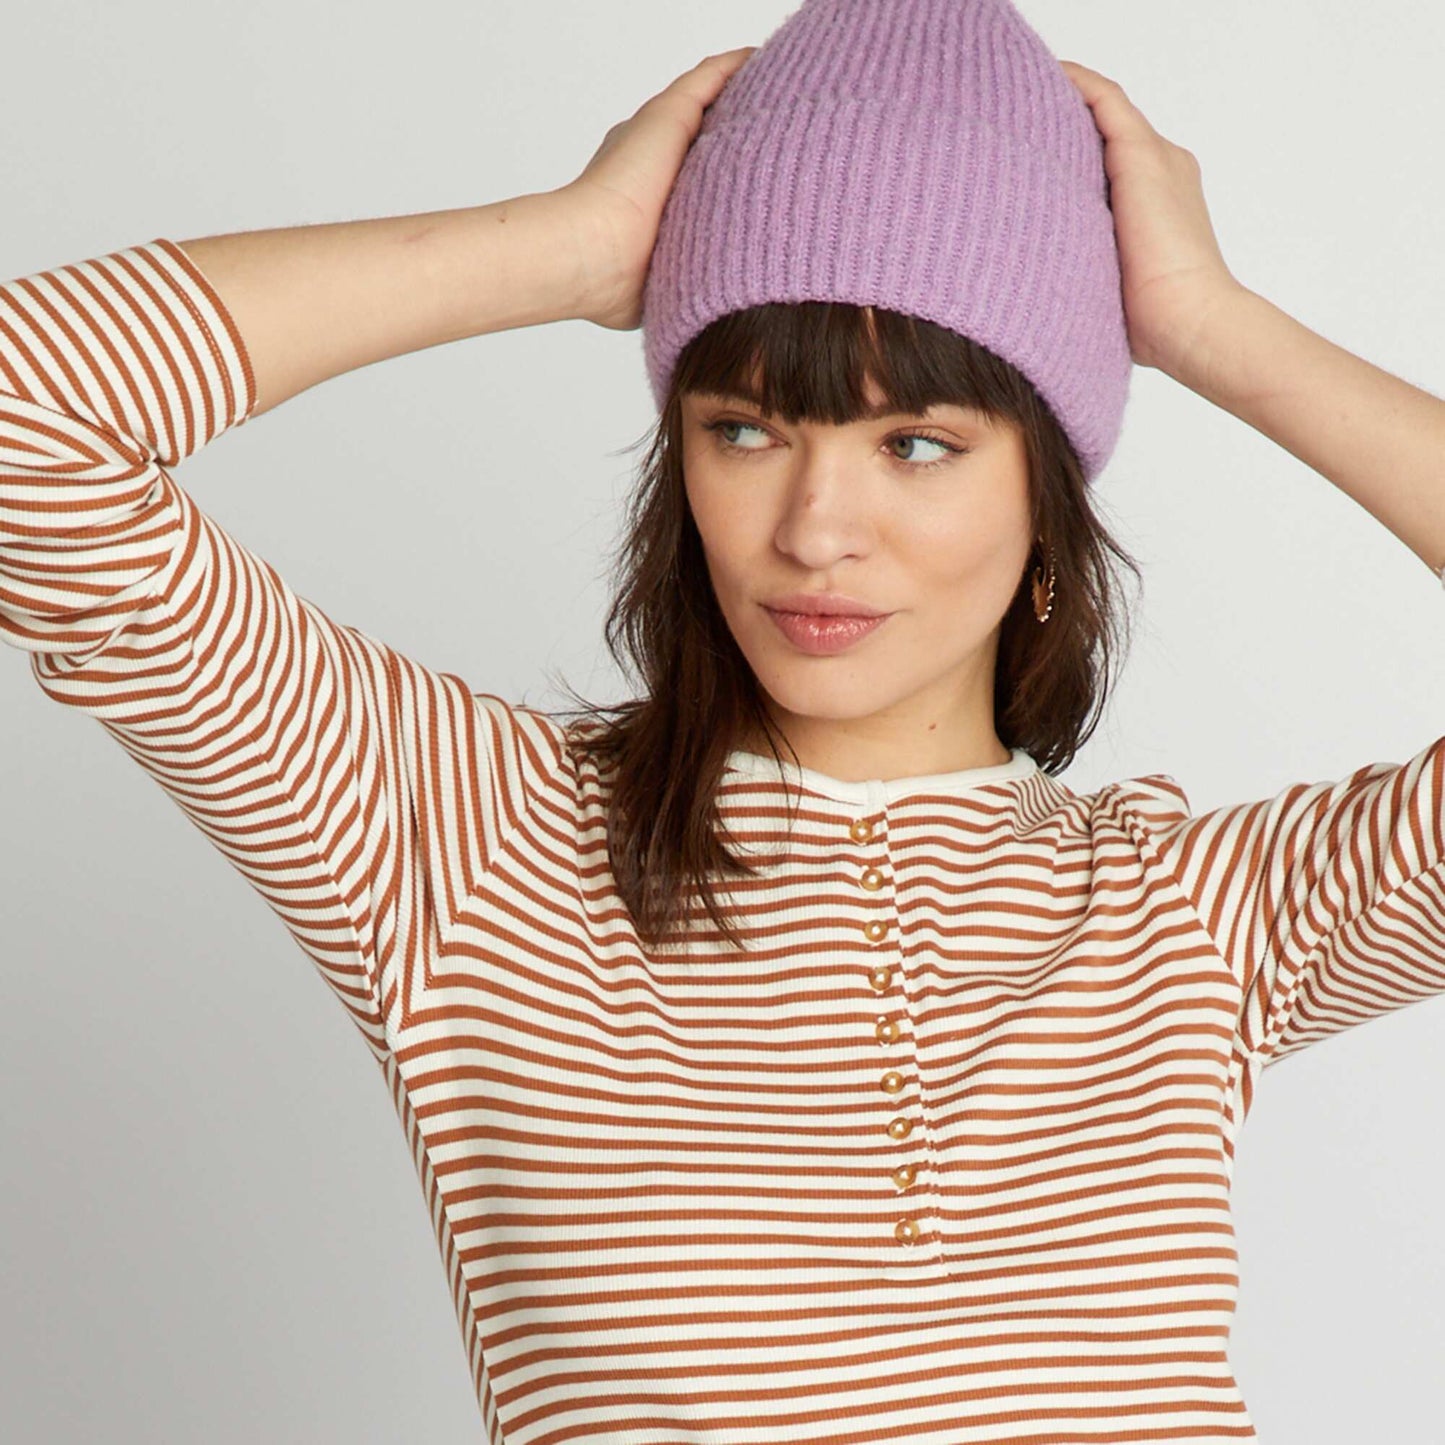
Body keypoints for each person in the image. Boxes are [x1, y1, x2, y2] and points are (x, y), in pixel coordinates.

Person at [4, 0, 1444, 1438]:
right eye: (743, 428)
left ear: (1044, 489)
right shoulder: (461, 834)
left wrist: (1213, 329)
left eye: (916, 443)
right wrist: (561, 249)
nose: (817, 529)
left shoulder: (1193, 914)